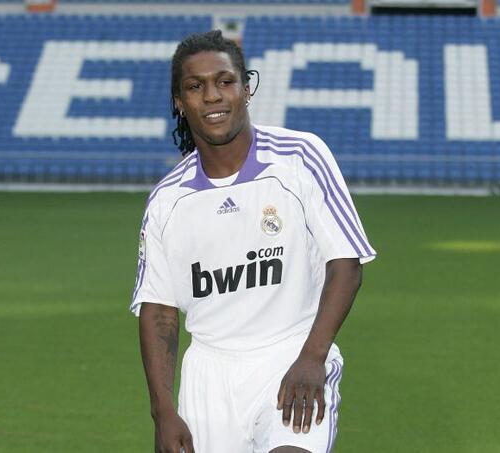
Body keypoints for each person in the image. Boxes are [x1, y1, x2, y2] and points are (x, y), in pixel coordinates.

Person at [131, 30, 376, 453]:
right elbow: (159, 312)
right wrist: (163, 411)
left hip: (291, 355)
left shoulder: (301, 157)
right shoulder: (168, 200)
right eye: (195, 86)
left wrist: (312, 356)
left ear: (246, 88)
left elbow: (345, 264)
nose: (212, 95)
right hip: (208, 379)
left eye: (225, 81)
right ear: (179, 102)